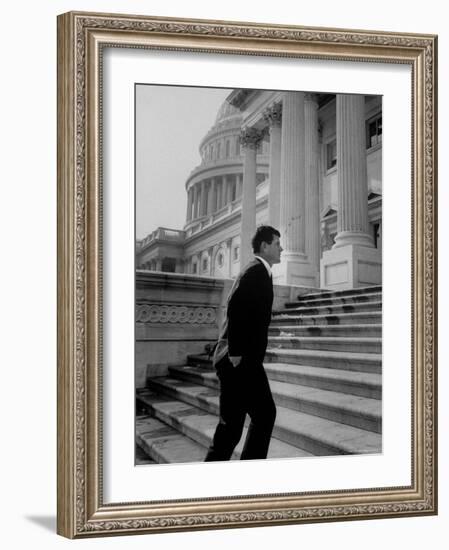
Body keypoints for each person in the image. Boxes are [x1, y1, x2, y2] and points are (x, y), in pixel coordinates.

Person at [205, 225, 283, 461]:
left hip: (238, 360)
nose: (282, 248)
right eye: (277, 244)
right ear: (265, 246)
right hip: (239, 361)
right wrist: (237, 352)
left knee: (231, 428)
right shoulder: (255, 272)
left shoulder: (260, 271)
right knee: (264, 414)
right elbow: (235, 307)